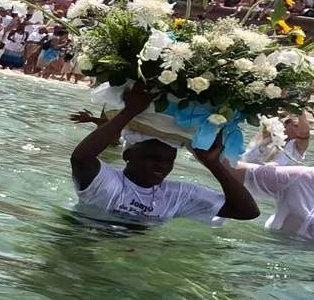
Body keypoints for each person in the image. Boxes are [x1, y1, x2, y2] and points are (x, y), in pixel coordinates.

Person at [70, 83, 259, 227]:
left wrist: (213, 164)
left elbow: (246, 212)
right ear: (128, 155)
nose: (162, 165)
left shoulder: (176, 196)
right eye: (152, 158)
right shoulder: (107, 180)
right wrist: (130, 111)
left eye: (169, 160)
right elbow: (80, 158)